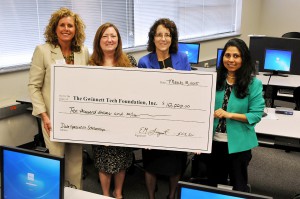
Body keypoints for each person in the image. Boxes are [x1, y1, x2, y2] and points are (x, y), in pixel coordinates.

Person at [28, 7, 89, 189]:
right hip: (52, 119)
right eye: (62, 25)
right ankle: (55, 192)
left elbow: (88, 83)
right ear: (55, 28)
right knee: (56, 159)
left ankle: (75, 192)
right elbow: (34, 86)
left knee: (76, 161)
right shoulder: (43, 51)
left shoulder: (83, 51)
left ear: (75, 29)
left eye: (70, 25)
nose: (66, 28)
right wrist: (44, 116)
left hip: (76, 117)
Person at [138, 18, 191, 199]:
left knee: (176, 163)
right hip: (152, 119)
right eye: (159, 35)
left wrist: (175, 78)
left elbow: (190, 89)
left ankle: (171, 195)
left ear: (172, 38)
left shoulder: (182, 58)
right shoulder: (144, 62)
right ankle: (151, 196)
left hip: (177, 119)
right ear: (153, 38)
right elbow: (141, 94)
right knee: (151, 162)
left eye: (167, 35)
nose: (163, 39)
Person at [207, 38, 265, 192]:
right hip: (214, 142)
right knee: (213, 185)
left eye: (236, 56)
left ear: (243, 59)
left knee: (238, 186)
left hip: (239, 145)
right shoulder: (213, 79)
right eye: (227, 55)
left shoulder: (254, 84)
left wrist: (229, 114)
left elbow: (256, 115)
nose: (231, 60)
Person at [89, 22, 136, 199]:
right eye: (105, 36)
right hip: (100, 120)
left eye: (113, 36)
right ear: (98, 40)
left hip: (123, 120)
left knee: (122, 159)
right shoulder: (90, 64)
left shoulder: (129, 61)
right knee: (103, 161)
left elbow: (138, 89)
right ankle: (105, 194)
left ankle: (118, 193)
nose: (109, 40)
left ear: (118, 39)